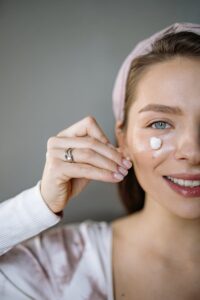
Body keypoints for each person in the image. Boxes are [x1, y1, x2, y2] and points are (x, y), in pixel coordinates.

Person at [0, 22, 200, 300]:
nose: (193, 152)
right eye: (159, 123)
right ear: (124, 139)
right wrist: (39, 203)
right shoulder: (61, 264)